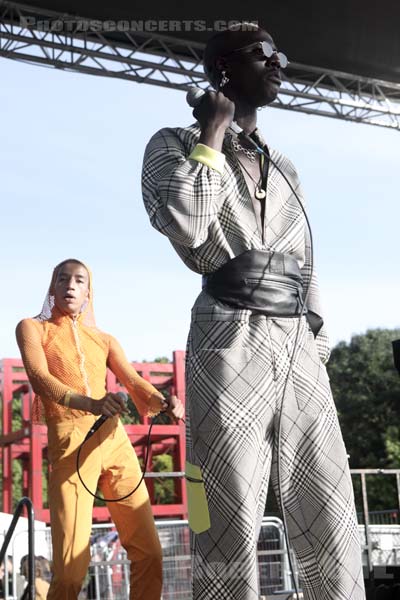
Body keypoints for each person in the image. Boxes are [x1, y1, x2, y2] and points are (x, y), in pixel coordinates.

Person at [142, 23, 365, 600]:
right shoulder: (172, 143)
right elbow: (187, 226)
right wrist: (212, 132)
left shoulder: (285, 165)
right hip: (228, 332)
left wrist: (316, 345)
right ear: (221, 70)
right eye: (264, 55)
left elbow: (307, 264)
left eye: (281, 55)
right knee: (225, 505)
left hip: (297, 344)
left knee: (329, 504)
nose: (279, 65)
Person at [16, 258, 184, 600]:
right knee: (70, 569)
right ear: (52, 287)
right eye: (62, 279)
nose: (70, 286)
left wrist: (164, 400)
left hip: (113, 438)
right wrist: (91, 404)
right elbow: (40, 379)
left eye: (79, 280)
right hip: (69, 442)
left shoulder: (104, 339)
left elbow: (133, 380)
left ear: (89, 291)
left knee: (150, 553)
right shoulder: (33, 328)